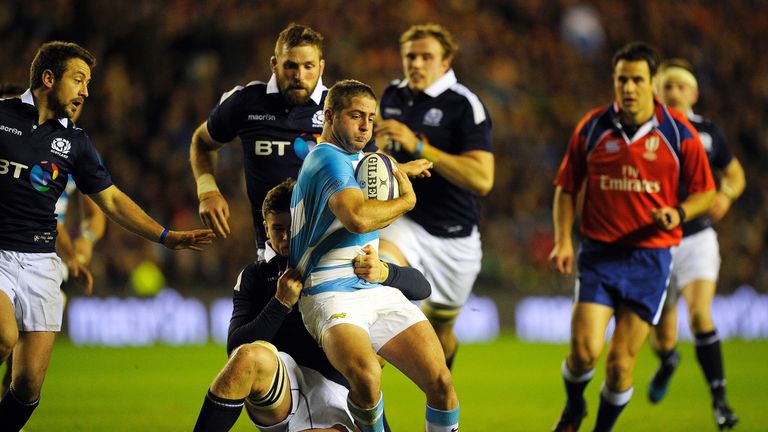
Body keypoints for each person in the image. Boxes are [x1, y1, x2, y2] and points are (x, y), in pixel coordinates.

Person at [0, 41, 215, 432]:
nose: (86, 91)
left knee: (28, 384)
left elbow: (111, 202)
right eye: (78, 80)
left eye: (88, 82)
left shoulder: (76, 143)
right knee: (3, 334)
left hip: (42, 261)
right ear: (48, 78)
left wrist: (164, 236)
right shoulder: (2, 116)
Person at [548, 42, 716, 432]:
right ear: (614, 81)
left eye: (637, 79)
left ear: (653, 83)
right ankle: (574, 406)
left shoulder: (679, 134)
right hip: (599, 254)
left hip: (650, 260)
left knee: (621, 365)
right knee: (584, 352)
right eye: (622, 79)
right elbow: (566, 187)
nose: (628, 87)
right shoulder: (591, 128)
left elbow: (705, 191)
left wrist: (679, 212)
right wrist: (563, 240)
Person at [192, 179, 431, 432]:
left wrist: (384, 271)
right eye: (277, 229)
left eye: (291, 227)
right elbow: (236, 347)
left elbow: (421, 287)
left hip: (338, 386)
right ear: (265, 228)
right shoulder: (256, 275)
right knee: (246, 358)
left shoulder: (341, 260)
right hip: (283, 383)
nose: (285, 238)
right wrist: (280, 303)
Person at [291, 79, 457, 432]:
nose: (366, 126)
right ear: (330, 115)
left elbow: (369, 166)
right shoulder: (324, 158)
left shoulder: (355, 159)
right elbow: (358, 217)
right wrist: (406, 201)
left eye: (371, 117)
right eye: (356, 116)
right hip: (328, 292)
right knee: (367, 378)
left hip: (372, 286)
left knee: (441, 383)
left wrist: (400, 170)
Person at [375, 23, 494, 370]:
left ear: (445, 62)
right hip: (405, 222)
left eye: (426, 57)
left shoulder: (464, 105)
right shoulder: (392, 96)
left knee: (442, 332)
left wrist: (419, 146)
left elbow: (483, 179)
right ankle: (364, 403)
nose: (416, 63)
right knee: (380, 295)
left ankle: (441, 394)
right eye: (410, 56)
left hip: (455, 239)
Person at [191, 23, 347, 258]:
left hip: (332, 252)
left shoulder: (340, 108)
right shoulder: (245, 102)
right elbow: (202, 142)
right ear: (274, 64)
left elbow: (370, 167)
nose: (299, 76)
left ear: (321, 67)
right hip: (272, 252)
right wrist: (208, 191)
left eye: (308, 66)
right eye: (290, 66)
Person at [647, 58, 744, 430]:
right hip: (657, 241)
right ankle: (669, 360)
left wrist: (727, 194)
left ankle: (720, 401)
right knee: (664, 336)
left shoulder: (708, 133)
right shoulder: (649, 129)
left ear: (693, 93)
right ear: (658, 91)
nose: (672, 92)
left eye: (679, 86)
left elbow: (734, 173)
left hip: (697, 237)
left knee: (701, 314)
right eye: (667, 86)